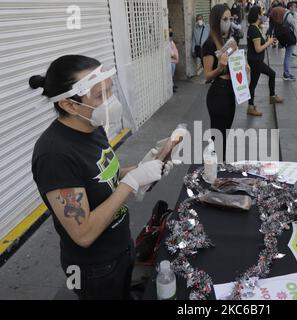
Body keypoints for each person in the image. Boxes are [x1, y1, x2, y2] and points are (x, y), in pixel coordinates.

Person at [29, 55, 174, 300]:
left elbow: (105, 177)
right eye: (99, 95)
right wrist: (131, 183)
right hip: (94, 267)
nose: (110, 101)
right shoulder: (54, 156)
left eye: (109, 90)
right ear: (69, 105)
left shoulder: (92, 127)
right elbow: (83, 233)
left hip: (120, 246)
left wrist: (141, 169)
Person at [202, 4, 249, 160]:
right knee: (217, 137)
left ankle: (219, 168)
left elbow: (236, 66)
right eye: (224, 19)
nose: (228, 22)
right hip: (218, 93)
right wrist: (219, 68)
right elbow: (207, 76)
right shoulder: (209, 44)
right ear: (216, 20)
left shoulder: (229, 42)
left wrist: (243, 65)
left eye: (230, 18)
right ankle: (212, 171)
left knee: (225, 133)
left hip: (230, 91)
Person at [247, 5, 284, 116]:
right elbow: (258, 49)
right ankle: (251, 107)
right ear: (257, 15)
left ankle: (269, 98)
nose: (263, 15)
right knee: (254, 83)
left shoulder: (254, 27)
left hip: (255, 60)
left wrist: (267, 40)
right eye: (261, 13)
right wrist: (268, 43)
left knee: (262, 78)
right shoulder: (253, 29)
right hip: (256, 60)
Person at [270, 6, 297, 80]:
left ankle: (286, 73)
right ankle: (286, 74)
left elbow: (271, 29)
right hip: (290, 39)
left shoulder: (276, 21)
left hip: (285, 39)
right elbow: (294, 25)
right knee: (288, 57)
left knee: (288, 56)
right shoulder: (288, 15)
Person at [169, 26, 179, 93]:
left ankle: (172, 84)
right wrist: (173, 55)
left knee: (172, 73)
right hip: (172, 60)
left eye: (171, 30)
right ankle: (171, 87)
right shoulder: (167, 40)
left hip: (174, 60)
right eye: (170, 30)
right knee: (170, 74)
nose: (171, 31)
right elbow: (169, 49)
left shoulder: (170, 39)